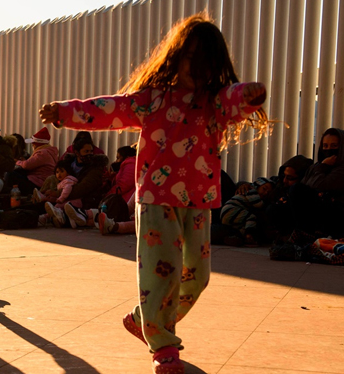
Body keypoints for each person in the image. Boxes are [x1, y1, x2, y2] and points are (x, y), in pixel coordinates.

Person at [39, 13, 268, 374]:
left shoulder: (215, 102)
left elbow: (236, 99)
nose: (196, 66)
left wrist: (252, 94)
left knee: (197, 275)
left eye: (205, 59)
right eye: (190, 57)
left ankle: (142, 318)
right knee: (162, 274)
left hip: (198, 201)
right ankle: (162, 346)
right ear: (176, 56)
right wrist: (64, 112)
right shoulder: (154, 99)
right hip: (157, 199)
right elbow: (109, 109)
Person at [220, 177, 275, 246]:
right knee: (251, 218)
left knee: (242, 226)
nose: (266, 193)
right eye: (264, 189)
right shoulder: (251, 191)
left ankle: (240, 238)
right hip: (232, 209)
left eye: (268, 192)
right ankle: (249, 235)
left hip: (228, 213)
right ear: (257, 186)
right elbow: (259, 205)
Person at [5, 127, 58, 196]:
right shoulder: (50, 152)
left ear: (36, 144)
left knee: (11, 174)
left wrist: (17, 162)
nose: (32, 146)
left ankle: (10, 195)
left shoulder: (42, 153)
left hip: (37, 184)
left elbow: (27, 165)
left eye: (33, 144)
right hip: (38, 180)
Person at [41, 160, 82, 227]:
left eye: (62, 171)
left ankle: (46, 217)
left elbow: (67, 190)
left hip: (73, 202)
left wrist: (61, 199)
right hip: (68, 201)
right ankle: (52, 218)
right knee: (57, 206)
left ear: (68, 172)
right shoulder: (63, 182)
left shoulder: (68, 181)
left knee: (57, 206)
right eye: (57, 172)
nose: (59, 174)